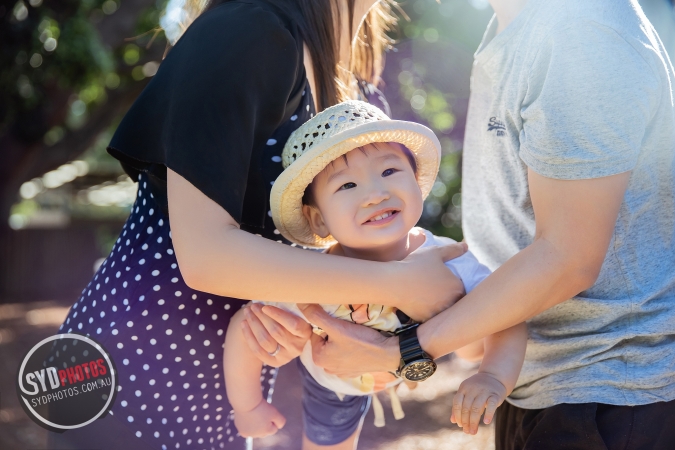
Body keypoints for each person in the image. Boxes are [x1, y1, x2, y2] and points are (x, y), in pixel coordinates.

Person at [245, 0, 675, 447]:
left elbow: (568, 258)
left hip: (607, 392)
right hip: (541, 387)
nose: (373, 192)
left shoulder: (580, 31)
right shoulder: (508, 32)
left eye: (390, 171)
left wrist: (405, 351)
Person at [48, 0, 470, 449]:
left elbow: (327, 294)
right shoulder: (245, 28)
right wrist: (396, 284)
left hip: (228, 397)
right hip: (133, 378)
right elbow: (206, 256)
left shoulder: (352, 83)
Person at [223, 100, 527, 449]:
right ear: (319, 219)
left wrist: (492, 376)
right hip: (333, 381)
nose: (375, 194)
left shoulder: (447, 258)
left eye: (389, 172)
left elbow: (506, 314)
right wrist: (247, 405)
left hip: (406, 360)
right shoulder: (312, 277)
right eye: (347, 186)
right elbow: (247, 324)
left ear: (416, 180)